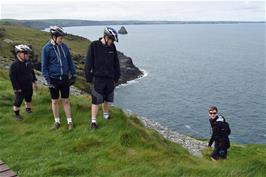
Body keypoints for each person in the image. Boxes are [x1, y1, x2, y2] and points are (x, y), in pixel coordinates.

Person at [84, 27, 120, 129]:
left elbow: (116, 63)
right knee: (96, 100)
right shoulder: (94, 46)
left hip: (109, 79)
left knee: (107, 98)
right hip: (98, 78)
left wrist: (116, 76)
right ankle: (93, 122)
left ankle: (106, 115)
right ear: (106, 37)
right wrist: (88, 77)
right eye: (112, 40)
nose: (112, 42)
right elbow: (88, 63)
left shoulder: (112, 47)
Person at [41, 26, 76, 130]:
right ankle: (57, 122)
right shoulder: (46, 49)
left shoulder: (64, 47)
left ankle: (70, 122)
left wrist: (73, 75)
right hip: (53, 79)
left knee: (66, 100)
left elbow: (70, 61)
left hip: (64, 78)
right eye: (60, 38)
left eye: (62, 38)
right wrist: (48, 80)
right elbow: (44, 66)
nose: (62, 40)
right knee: (55, 101)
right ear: (54, 37)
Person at [9, 44, 37, 121]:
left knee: (28, 98)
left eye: (27, 53)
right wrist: (16, 88)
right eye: (25, 53)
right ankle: (17, 115)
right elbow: (12, 77)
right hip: (19, 87)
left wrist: (34, 82)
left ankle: (28, 109)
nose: (27, 55)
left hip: (28, 85)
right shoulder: (14, 65)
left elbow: (32, 72)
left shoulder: (28, 63)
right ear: (19, 54)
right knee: (18, 101)